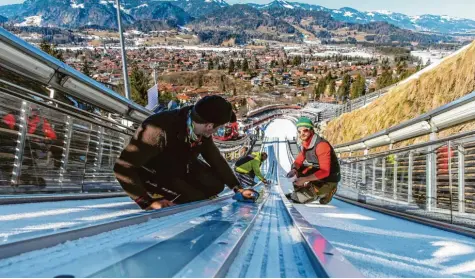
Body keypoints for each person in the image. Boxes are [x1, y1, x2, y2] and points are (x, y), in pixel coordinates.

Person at [114, 95, 259, 210]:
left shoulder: (200, 129)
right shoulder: (158, 130)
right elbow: (122, 167)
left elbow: (215, 159)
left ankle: (183, 190)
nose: (216, 132)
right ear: (209, 126)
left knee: (216, 185)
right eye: (218, 128)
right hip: (154, 174)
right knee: (193, 197)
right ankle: (158, 193)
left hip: (179, 166)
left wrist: (237, 188)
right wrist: (146, 201)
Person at [285, 117, 341, 204]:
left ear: (311, 130)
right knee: (298, 171)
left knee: (298, 199)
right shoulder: (306, 144)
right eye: (299, 132)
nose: (302, 134)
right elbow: (298, 162)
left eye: (305, 131)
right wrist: (294, 170)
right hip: (318, 175)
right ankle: (305, 190)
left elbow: (325, 172)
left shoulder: (321, 145)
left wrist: (305, 179)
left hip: (329, 178)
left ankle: (329, 190)